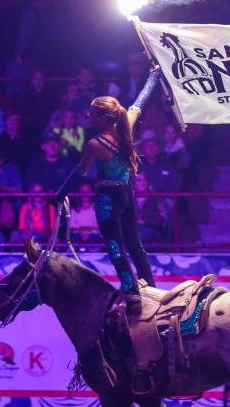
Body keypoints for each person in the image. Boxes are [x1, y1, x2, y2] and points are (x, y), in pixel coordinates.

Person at [54, 69, 162, 311]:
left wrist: (61, 193)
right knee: (135, 244)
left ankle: (132, 293)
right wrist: (153, 77)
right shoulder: (127, 127)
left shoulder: (95, 144)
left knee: (115, 246)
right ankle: (151, 285)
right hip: (126, 194)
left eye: (91, 111)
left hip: (107, 200)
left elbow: (80, 172)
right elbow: (141, 100)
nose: (87, 114)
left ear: (102, 117)